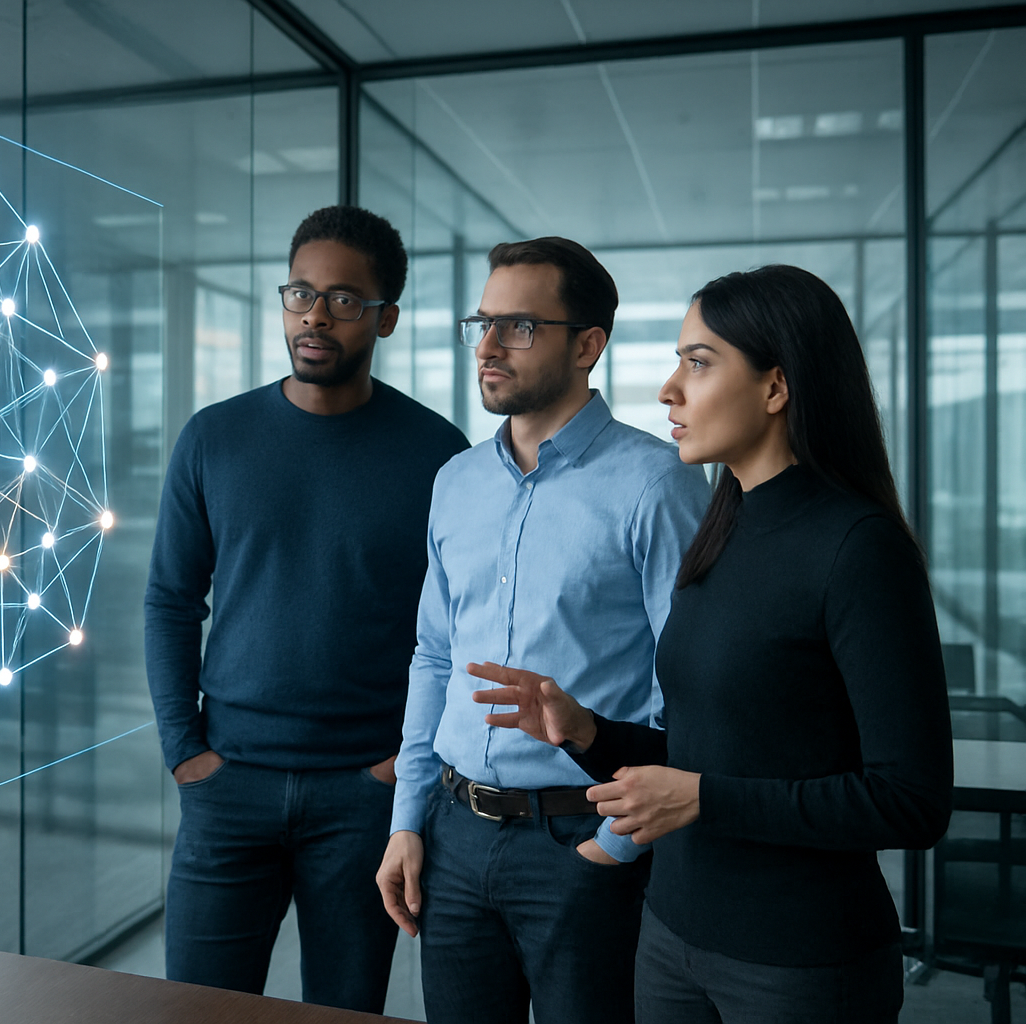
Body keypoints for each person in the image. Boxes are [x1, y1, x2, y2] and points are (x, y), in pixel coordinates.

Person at [470, 264, 953, 1024]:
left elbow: (910, 802)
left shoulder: (859, 548)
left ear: (776, 387)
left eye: (698, 362)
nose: (670, 388)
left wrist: (702, 798)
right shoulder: (722, 526)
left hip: (798, 960)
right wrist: (589, 732)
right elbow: (707, 752)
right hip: (671, 937)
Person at [376, 237, 711, 1024]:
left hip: (583, 841)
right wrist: (408, 822)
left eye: (519, 326)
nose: (488, 347)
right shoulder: (455, 482)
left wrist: (617, 848)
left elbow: (694, 687)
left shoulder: (655, 483)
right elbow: (434, 656)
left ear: (588, 345)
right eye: (482, 322)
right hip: (453, 836)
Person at [144, 205, 469, 1013]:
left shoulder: (437, 455)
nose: (316, 315)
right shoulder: (214, 438)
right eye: (301, 293)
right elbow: (170, 599)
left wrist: (405, 769)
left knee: (342, 1009)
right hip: (227, 785)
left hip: (364, 795)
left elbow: (463, 627)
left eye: (344, 299)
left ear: (385, 317)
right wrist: (186, 750)